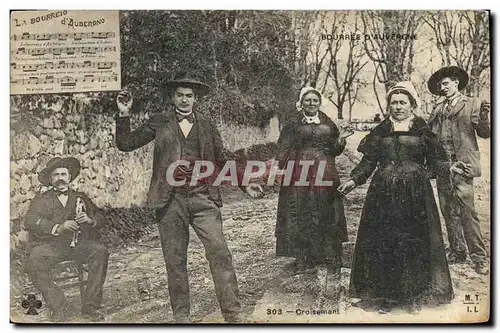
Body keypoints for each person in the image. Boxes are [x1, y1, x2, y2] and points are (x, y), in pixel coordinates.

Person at [114, 73, 263, 323]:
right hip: (170, 201)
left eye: (189, 96)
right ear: (173, 98)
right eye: (180, 95)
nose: (185, 100)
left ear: (196, 99)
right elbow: (126, 144)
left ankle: (233, 314)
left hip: (203, 197)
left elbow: (222, 158)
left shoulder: (206, 124)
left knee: (220, 252)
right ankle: (181, 317)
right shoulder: (159, 122)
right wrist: (123, 113)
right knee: (175, 260)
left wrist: (244, 183)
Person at [338, 81, 454, 314]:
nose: (398, 107)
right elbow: (368, 162)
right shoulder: (380, 131)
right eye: (394, 103)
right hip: (383, 194)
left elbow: (436, 162)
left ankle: (413, 295)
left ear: (412, 105)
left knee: (414, 242)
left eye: (403, 102)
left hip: (415, 195)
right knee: (384, 242)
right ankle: (386, 296)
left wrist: (442, 170)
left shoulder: (423, 131)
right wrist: (354, 180)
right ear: (389, 105)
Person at [274, 87, 352, 297]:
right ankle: (304, 257)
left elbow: (335, 149)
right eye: (307, 101)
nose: (311, 104)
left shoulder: (327, 122)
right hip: (300, 170)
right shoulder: (293, 124)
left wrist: (342, 139)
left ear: (319, 102)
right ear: (302, 103)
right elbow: (283, 148)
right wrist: (280, 167)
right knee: (301, 211)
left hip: (326, 169)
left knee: (327, 210)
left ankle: (330, 255)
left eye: (314, 101)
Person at [24, 157, 109, 322]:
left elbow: (101, 216)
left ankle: (91, 307)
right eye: (56, 175)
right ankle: (58, 304)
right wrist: (57, 227)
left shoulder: (81, 197)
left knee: (101, 252)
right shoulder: (42, 199)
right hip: (52, 246)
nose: (60, 178)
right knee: (32, 262)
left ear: (69, 177)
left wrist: (90, 221)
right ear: (50, 179)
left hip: (79, 245)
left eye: (64, 174)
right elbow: (30, 220)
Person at [427, 66, 490, 275]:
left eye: (445, 84)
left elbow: (484, 133)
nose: (442, 88)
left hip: (463, 166)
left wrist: (484, 117)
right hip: (443, 166)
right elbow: (430, 136)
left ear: (456, 83)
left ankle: (479, 258)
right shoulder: (437, 109)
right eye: (440, 86)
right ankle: (457, 250)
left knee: (467, 212)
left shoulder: (472, 104)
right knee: (448, 210)